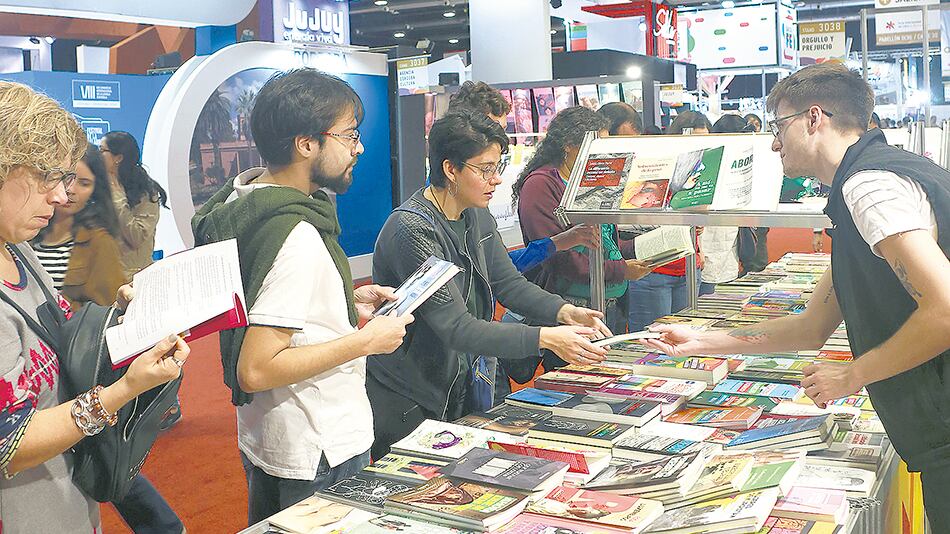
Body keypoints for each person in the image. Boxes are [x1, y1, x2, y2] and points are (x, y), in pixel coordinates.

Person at [645, 62, 950, 529]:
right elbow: (812, 326)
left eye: (777, 126)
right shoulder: (868, 183)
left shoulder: (868, 185)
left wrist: (852, 375)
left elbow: (946, 311)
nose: (773, 142)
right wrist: (701, 341)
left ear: (814, 119)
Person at [191, 68, 415, 525]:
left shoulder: (245, 204)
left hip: (272, 434)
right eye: (349, 135)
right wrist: (365, 341)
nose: (359, 148)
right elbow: (255, 368)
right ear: (306, 143)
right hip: (318, 442)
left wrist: (344, 303)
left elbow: (266, 301)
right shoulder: (295, 234)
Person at [0, 80, 191, 533]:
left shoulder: (18, 247)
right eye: (46, 177)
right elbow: (9, 442)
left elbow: (63, 331)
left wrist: (125, 316)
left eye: (64, 179)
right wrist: (121, 392)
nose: (61, 196)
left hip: (63, 501)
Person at [368, 109, 612, 459]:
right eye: (485, 170)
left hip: (462, 379)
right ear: (450, 169)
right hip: (412, 392)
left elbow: (508, 283)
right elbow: (455, 326)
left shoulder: (475, 213)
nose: (496, 179)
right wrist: (545, 337)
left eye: (498, 167)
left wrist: (565, 311)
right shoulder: (413, 229)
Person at [514, 106, 651, 336]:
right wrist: (621, 271)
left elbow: (605, 242)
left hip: (610, 304)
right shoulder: (540, 185)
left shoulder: (591, 178)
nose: (605, 154)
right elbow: (555, 256)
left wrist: (644, 247)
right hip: (571, 308)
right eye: (597, 146)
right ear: (569, 145)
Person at [446, 81, 599, 273]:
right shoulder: (424, 224)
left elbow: (499, 270)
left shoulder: (477, 210)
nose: (502, 140)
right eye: (491, 130)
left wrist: (555, 243)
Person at [33, 143, 125, 309]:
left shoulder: (99, 242)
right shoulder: (25, 233)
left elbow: (111, 309)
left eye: (84, 183)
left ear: (94, 191)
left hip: (67, 333)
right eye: (66, 178)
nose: (71, 190)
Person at [99, 131, 167, 280]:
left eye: (102, 151)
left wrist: (117, 199)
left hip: (132, 280)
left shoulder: (145, 193)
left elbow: (136, 237)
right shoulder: (97, 186)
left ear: (118, 158)